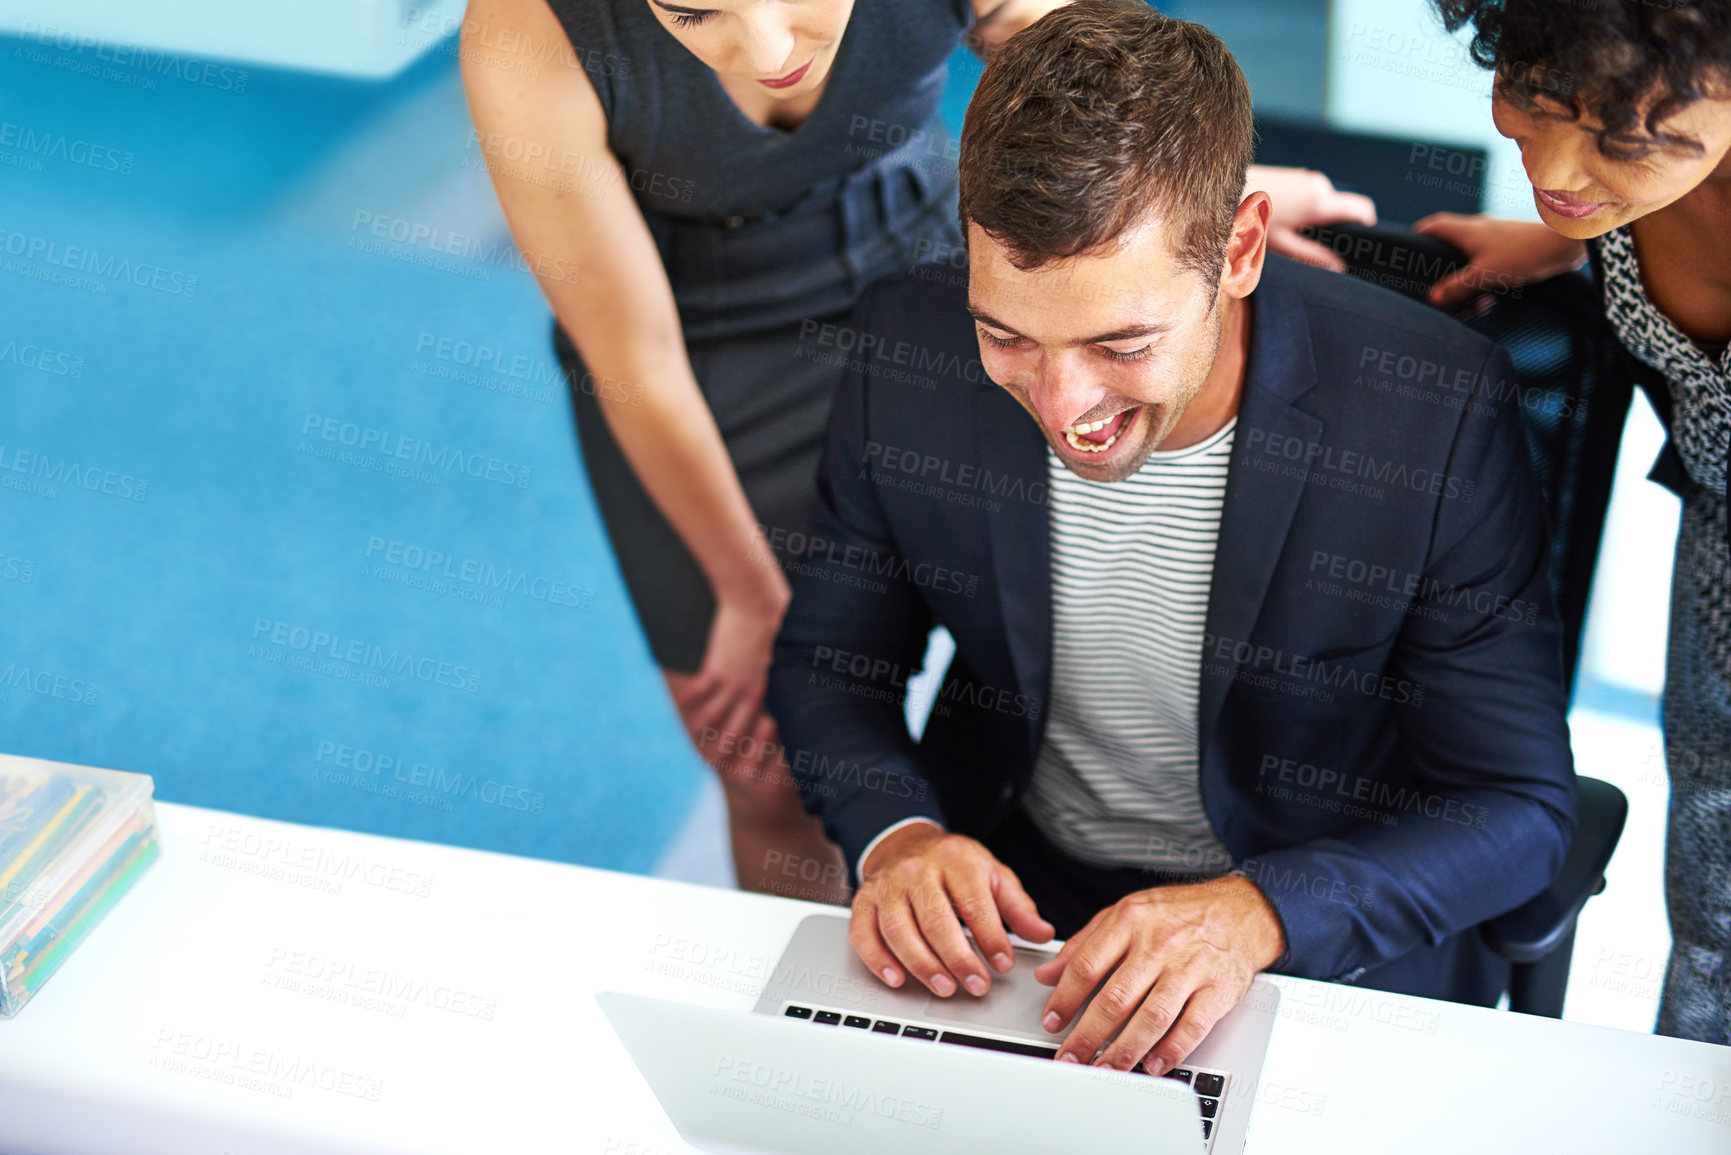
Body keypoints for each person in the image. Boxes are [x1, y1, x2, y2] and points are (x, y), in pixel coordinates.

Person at [764, 0, 1578, 1076]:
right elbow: (829, 663)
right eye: (1006, 333)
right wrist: (896, 837)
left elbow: (1519, 809)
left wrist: (1256, 916)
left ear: (1238, 248)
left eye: (1122, 342)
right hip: (1022, 925)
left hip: (1306, 941)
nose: (1063, 407)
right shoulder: (904, 346)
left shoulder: (1430, 406)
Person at [457, 0, 1379, 902]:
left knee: (1095, 621)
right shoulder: (523, 30)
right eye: (694, 14)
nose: (765, 47)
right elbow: (637, 360)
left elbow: (1084, 88)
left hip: (932, 271)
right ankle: (795, 1043)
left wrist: (1195, 208)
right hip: (691, 351)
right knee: (771, 761)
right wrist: (746, 596)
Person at [1412, 0, 1730, 1045]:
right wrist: (1562, 245)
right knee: (1714, 914)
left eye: (1613, 135)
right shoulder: (1640, 173)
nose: (1553, 163)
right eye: (1531, 98)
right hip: (1715, 565)